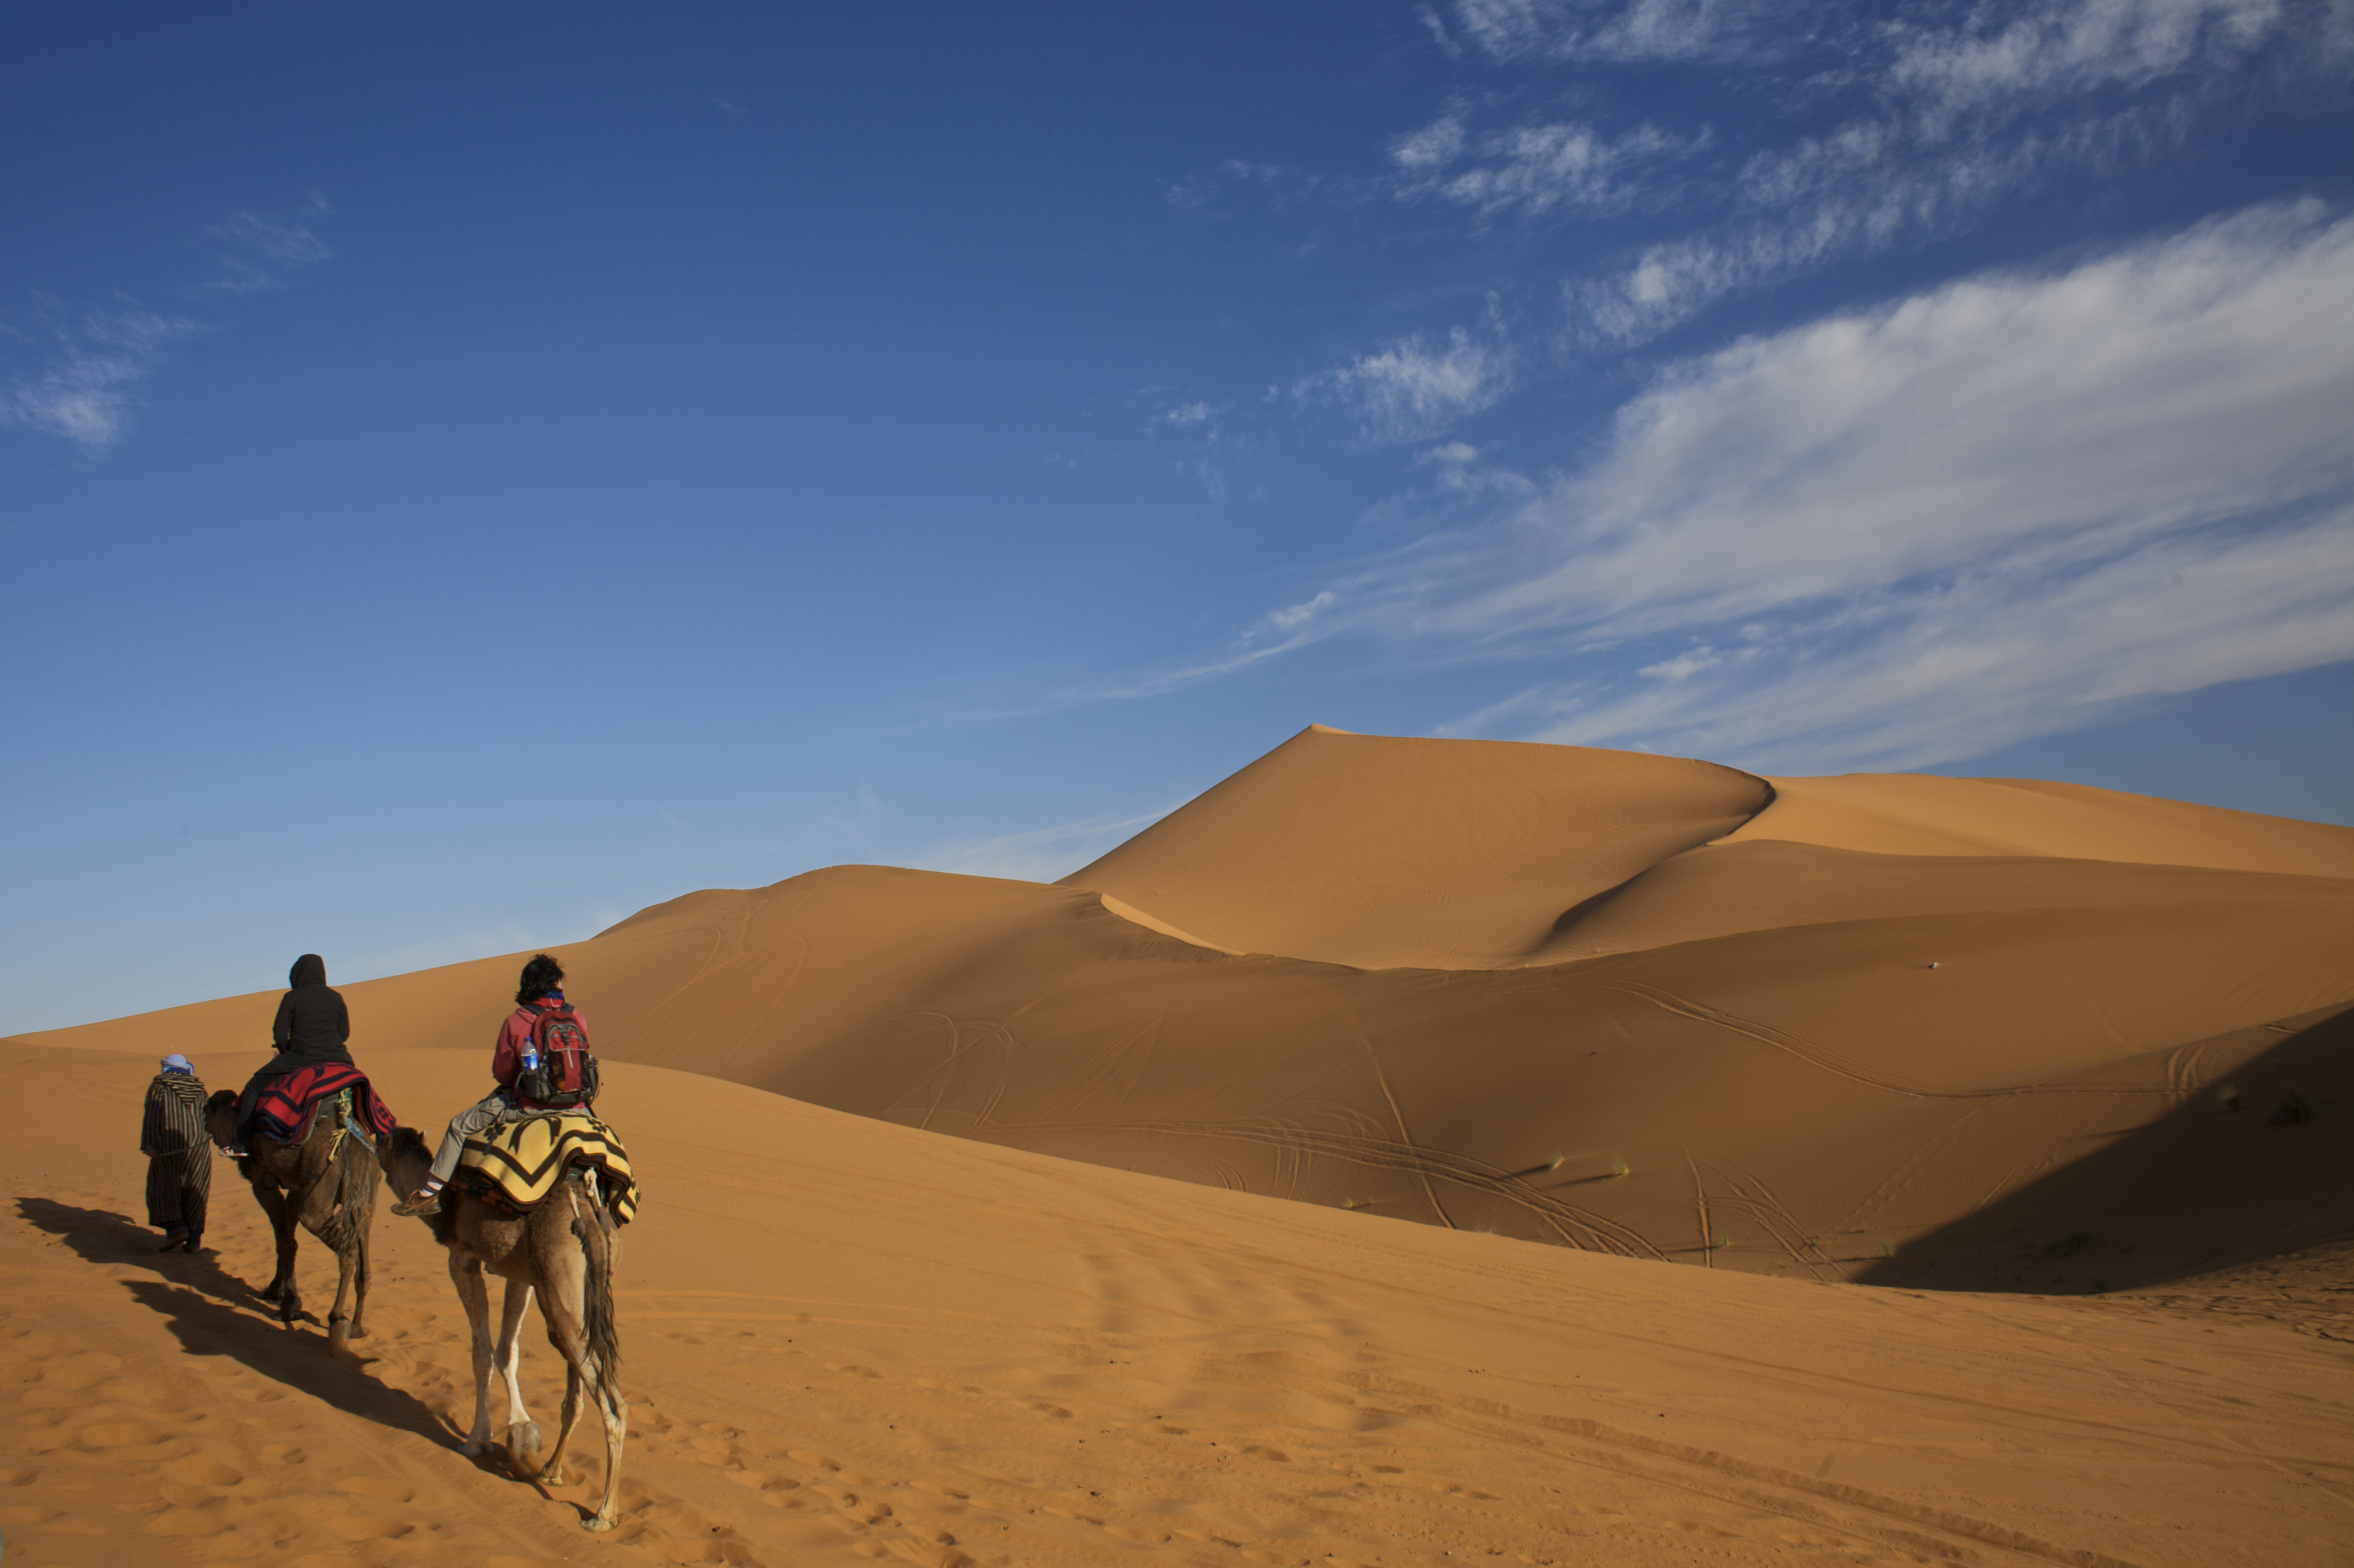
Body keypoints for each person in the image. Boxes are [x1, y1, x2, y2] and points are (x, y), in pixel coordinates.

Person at [393, 953, 583, 1217]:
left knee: (460, 1126)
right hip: (577, 1106)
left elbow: (504, 1074)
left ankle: (429, 1194)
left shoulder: (517, 1021)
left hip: (530, 1105)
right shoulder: (576, 1016)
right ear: (555, 986)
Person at [228, 954, 355, 1156]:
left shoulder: (293, 997)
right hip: (338, 1059)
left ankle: (242, 1143)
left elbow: (279, 1034)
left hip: (299, 1058)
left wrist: (289, 1050)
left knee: (253, 1087)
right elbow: (344, 1033)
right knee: (356, 1087)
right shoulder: (336, 997)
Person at [141, 1054, 213, 1252]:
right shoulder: (200, 1089)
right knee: (196, 1190)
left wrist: (149, 1145)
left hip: (170, 1146)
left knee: (164, 1186)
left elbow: (152, 1116)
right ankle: (194, 1241)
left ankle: (176, 1228)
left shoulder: (159, 1087)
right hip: (200, 1147)